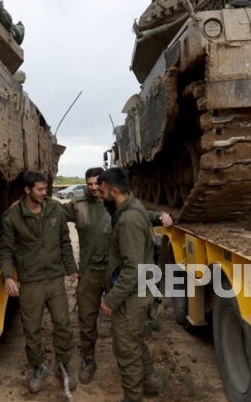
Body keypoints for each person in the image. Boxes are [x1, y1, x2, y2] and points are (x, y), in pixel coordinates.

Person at [64, 167, 172, 385]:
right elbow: (52, 215)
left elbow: (141, 216)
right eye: (90, 184)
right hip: (92, 272)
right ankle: (88, 359)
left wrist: (161, 216)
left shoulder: (116, 205)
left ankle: (144, 373)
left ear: (108, 187)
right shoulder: (78, 205)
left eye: (98, 184)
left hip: (116, 274)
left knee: (128, 327)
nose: (94, 188)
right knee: (86, 319)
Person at [0, 171, 79, 394]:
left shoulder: (55, 209)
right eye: (40, 190)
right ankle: (37, 366)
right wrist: (7, 276)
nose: (45, 193)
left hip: (54, 278)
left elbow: (64, 240)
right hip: (31, 280)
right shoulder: (12, 217)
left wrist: (71, 267)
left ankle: (62, 364)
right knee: (32, 329)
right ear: (27, 190)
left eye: (46, 189)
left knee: (62, 324)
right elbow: (5, 250)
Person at [98, 167, 163, 402]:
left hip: (132, 295)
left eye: (103, 190)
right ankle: (150, 380)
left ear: (114, 191)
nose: (100, 194)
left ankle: (133, 397)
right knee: (134, 339)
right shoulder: (134, 207)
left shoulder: (127, 220)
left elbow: (132, 268)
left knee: (126, 348)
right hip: (140, 289)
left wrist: (111, 300)